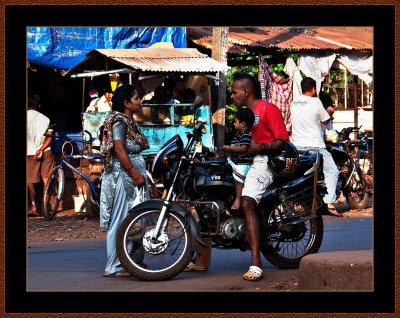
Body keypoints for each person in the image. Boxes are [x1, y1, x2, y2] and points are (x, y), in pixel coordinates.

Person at [230, 73, 289, 281]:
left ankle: (256, 261)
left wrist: (262, 146)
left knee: (247, 202)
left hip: (264, 161)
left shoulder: (267, 109)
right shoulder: (243, 113)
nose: (231, 96)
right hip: (245, 160)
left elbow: (283, 140)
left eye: (234, 91)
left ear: (246, 91)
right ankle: (200, 259)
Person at [99, 84, 150, 277]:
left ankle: (130, 262)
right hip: (122, 177)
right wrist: (134, 173)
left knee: (131, 221)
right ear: (127, 103)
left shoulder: (126, 121)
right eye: (136, 98)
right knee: (119, 222)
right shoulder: (119, 122)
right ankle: (114, 265)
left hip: (129, 178)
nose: (140, 102)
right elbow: (119, 150)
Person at [290, 77, 341, 217]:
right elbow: (325, 119)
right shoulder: (316, 101)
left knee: (303, 175)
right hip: (315, 146)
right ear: (313, 89)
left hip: (297, 146)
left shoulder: (294, 103)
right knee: (332, 171)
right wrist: (329, 113)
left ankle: (301, 200)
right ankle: (329, 202)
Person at [221, 107, 255, 210]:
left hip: (242, 164)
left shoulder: (246, 134)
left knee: (238, 179)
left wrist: (229, 148)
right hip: (235, 161)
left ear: (243, 124)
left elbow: (243, 148)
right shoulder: (239, 134)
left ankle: (238, 199)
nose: (233, 123)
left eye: (235, 121)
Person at [27, 94, 56, 217]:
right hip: (46, 151)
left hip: (29, 152)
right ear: (38, 105)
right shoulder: (45, 118)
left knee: (30, 181)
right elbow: (50, 137)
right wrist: (42, 149)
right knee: (47, 179)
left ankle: (33, 207)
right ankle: (47, 207)